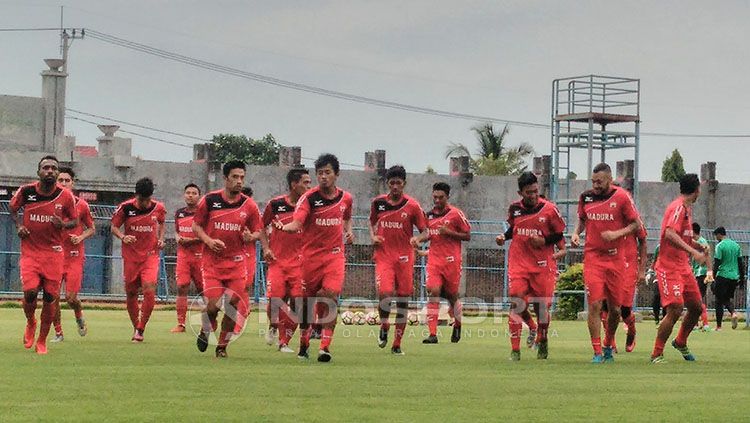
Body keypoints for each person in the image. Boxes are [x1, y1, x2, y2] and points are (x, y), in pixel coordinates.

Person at [278, 153, 354, 362]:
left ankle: (325, 347)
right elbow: (297, 223)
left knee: (330, 296)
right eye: (319, 173)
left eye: (327, 172)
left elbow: (346, 217)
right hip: (310, 258)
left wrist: (349, 230)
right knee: (306, 305)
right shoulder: (308, 198)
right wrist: (285, 227)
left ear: (336, 174)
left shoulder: (346, 198)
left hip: (334, 257)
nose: (323, 177)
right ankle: (304, 343)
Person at [571, 163, 641, 363]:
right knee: (594, 304)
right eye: (593, 181)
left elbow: (636, 224)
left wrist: (616, 234)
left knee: (615, 310)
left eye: (599, 181)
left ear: (610, 180)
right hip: (593, 257)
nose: (596, 185)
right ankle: (597, 351)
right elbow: (582, 219)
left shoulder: (622, 197)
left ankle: (608, 344)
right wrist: (577, 233)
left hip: (615, 259)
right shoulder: (586, 197)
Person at [192, 161, 262, 358]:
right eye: (235, 177)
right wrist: (208, 240)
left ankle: (222, 346)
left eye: (242, 177)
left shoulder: (249, 205)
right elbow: (196, 226)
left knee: (232, 306)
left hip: (237, 263)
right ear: (225, 178)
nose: (239, 181)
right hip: (212, 262)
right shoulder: (209, 201)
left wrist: (252, 237)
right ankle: (206, 328)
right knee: (213, 306)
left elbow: (259, 230)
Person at [9, 156, 78, 354]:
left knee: (50, 297)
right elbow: (13, 209)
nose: (50, 171)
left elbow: (74, 221)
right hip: (30, 251)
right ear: (38, 171)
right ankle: (31, 321)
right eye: (45, 168)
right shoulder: (26, 191)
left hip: (53, 253)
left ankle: (42, 340)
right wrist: (19, 225)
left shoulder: (65, 196)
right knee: (30, 292)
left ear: (57, 173)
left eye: (53, 168)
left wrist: (63, 225)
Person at [496, 172, 565, 360]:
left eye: (535, 191)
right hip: (519, 263)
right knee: (517, 301)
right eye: (529, 192)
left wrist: (543, 240)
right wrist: (504, 236)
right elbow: (514, 229)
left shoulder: (550, 210)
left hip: (542, 265)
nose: (533, 195)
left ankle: (542, 338)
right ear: (521, 193)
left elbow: (559, 234)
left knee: (541, 308)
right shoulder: (515, 210)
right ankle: (515, 350)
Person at [650, 174, 711, 363]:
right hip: (669, 268)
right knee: (675, 308)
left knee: (696, 307)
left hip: (682, 266)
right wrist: (694, 251)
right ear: (696, 190)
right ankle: (656, 353)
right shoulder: (677, 207)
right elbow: (669, 233)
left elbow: (680, 235)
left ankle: (680, 341)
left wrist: (697, 244)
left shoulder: (687, 209)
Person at [369, 165, 427, 355]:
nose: (395, 187)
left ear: (404, 184)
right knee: (385, 294)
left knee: (403, 300)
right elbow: (371, 222)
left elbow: (426, 231)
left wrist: (417, 239)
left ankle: (397, 343)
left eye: (398, 183)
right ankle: (384, 324)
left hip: (404, 258)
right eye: (392, 183)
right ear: (387, 183)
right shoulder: (378, 203)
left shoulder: (412, 206)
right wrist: (373, 236)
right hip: (384, 256)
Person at [259, 168, 311, 353]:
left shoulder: (311, 206)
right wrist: (266, 248)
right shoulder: (275, 204)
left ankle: (284, 342)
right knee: (275, 302)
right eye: (305, 182)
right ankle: (273, 325)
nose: (309, 186)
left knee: (298, 305)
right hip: (278, 262)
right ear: (294, 185)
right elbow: (261, 227)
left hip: (301, 265)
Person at [412, 182, 471, 345]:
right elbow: (428, 234)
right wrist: (417, 239)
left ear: (447, 197)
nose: (437, 200)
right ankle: (432, 334)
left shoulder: (456, 214)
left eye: (441, 197)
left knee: (452, 297)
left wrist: (449, 232)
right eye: (435, 197)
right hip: (434, 261)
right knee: (434, 292)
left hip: (452, 261)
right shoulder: (429, 215)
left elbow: (467, 236)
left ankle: (457, 323)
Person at [111, 177, 166, 343]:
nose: (144, 203)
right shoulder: (125, 208)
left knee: (149, 288)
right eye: (142, 199)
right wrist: (123, 236)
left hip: (150, 255)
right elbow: (114, 227)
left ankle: (141, 328)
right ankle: (136, 327)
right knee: (131, 293)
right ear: (136, 195)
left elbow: (162, 224)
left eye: (147, 199)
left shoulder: (159, 208)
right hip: (131, 257)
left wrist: (161, 238)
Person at [51, 167, 95, 342]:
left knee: (70, 297)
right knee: (52, 296)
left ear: (72, 183)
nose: (63, 183)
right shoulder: (50, 204)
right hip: (54, 256)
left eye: (66, 180)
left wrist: (81, 236)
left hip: (74, 257)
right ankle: (58, 332)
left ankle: (79, 315)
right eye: (60, 180)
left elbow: (92, 228)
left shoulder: (81, 205)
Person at [171, 183, 204, 333]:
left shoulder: (203, 213)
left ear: (199, 196)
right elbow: (177, 231)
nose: (190, 195)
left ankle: (209, 321)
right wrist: (178, 238)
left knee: (204, 290)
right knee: (182, 286)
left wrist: (191, 241)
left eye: (194, 193)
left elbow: (207, 235)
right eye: (188, 193)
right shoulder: (179, 213)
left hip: (201, 256)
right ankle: (181, 323)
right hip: (184, 255)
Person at [233, 186, 262, 339]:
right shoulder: (230, 211)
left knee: (243, 286)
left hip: (248, 254)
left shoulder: (253, 212)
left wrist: (251, 236)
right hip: (230, 254)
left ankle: (238, 324)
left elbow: (260, 231)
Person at [618, 217, 647, 353]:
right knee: (605, 305)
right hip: (610, 263)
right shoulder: (608, 213)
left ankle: (631, 329)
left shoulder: (635, 219)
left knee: (624, 308)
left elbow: (643, 242)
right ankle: (609, 342)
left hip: (629, 267)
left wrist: (642, 270)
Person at [712, 226, 745, 330]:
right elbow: (740, 263)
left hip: (722, 275)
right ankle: (733, 313)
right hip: (734, 277)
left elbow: (717, 263)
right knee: (726, 298)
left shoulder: (720, 246)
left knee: (718, 300)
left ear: (719, 234)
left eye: (716, 236)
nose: (716, 238)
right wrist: (742, 278)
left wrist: (713, 277)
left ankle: (719, 326)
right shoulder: (736, 246)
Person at [690, 223, 711, 332]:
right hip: (697, 273)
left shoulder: (701, 242)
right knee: (697, 299)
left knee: (697, 299)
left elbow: (706, 257)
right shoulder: (699, 242)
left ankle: (704, 323)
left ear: (693, 231)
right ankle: (699, 323)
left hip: (701, 273)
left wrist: (709, 271)